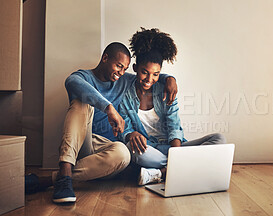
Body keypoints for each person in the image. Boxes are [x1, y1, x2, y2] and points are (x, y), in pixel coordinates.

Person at [25, 42, 178, 203]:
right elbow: (71, 81)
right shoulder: (85, 77)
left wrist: (169, 78)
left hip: (108, 154)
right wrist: (108, 108)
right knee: (81, 102)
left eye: (125, 69)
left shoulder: (123, 79)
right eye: (119, 66)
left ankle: (57, 179)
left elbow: (147, 74)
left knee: (124, 153)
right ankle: (65, 168)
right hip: (85, 142)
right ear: (105, 58)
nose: (121, 72)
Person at [119, 28, 226, 186]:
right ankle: (189, 169)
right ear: (135, 69)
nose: (150, 79)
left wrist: (177, 155)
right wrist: (130, 134)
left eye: (156, 74)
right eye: (144, 72)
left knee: (219, 139)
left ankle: (161, 173)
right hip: (149, 149)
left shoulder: (165, 89)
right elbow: (124, 127)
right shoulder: (124, 93)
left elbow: (174, 124)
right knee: (134, 151)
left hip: (174, 146)